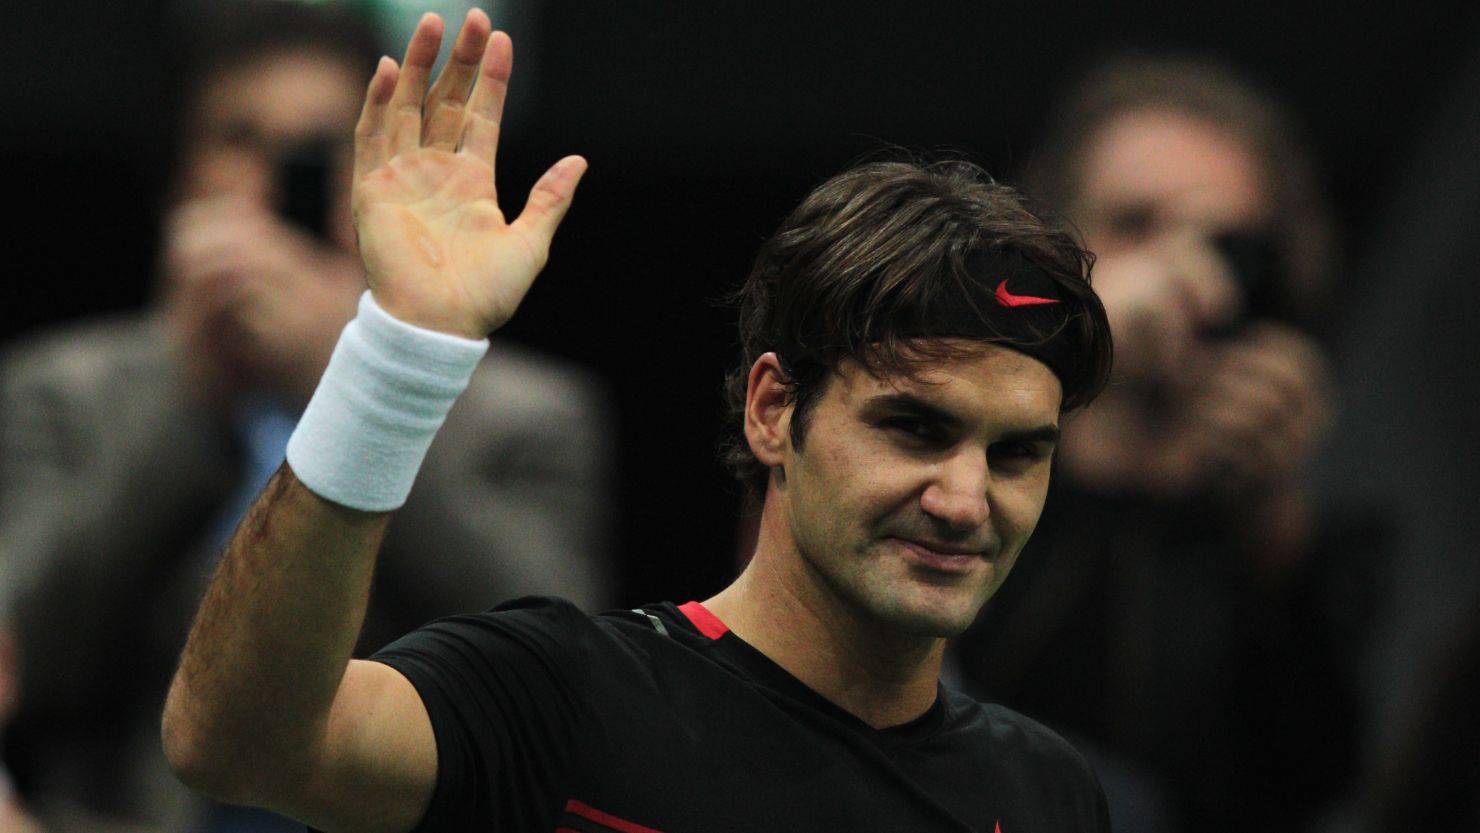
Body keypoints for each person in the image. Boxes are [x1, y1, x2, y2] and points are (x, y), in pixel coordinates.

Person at [160, 9, 1115, 832]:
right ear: (774, 409)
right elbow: (238, 746)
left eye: (1017, 454)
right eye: (914, 429)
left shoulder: (1048, 791)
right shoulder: (565, 698)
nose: (964, 499)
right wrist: (399, 352)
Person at [0, 2, 611, 830]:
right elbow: (22, 652)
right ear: (178, 178)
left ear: (378, 159)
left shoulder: (528, 413)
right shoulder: (67, 390)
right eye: (239, 138)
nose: (273, 171)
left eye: (320, 144)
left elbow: (556, 672)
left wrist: (367, 375)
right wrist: (190, 398)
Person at [952, 57, 1363, 833]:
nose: (1181, 270)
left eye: (1225, 243)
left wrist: (1272, 523)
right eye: (1136, 224)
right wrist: (1072, 349)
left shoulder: (1285, 524)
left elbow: (1318, 777)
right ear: (1055, 240)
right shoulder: (970, 462)